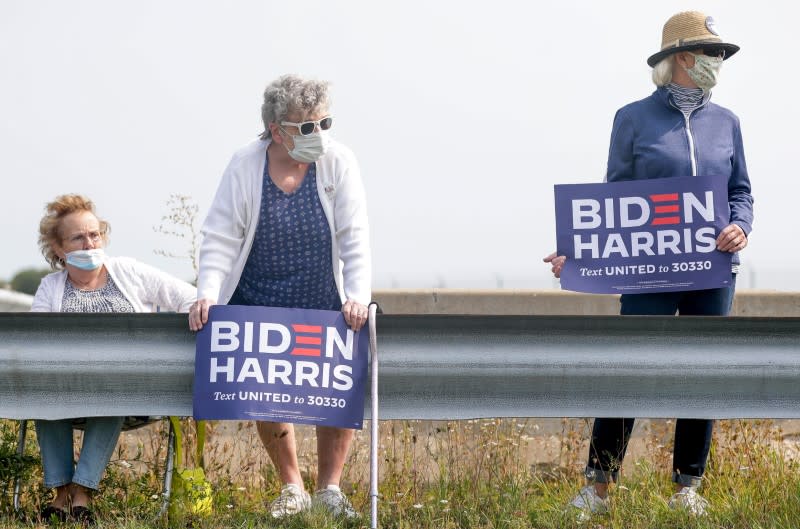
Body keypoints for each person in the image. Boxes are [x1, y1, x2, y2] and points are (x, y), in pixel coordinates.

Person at [544, 11, 753, 519]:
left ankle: (687, 489)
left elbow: (741, 191)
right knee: (629, 367)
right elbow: (614, 201)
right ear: (682, 58)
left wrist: (741, 226)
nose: (718, 63)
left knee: (704, 374)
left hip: (713, 271)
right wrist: (580, 249)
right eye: (711, 53)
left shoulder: (728, 123)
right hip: (648, 271)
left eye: (720, 55)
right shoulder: (633, 118)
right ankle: (596, 489)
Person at [188, 74, 371, 519]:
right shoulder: (244, 163)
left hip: (322, 293)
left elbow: (354, 236)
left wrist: (357, 296)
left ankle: (330, 488)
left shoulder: (338, 161)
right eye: (307, 127)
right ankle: (293, 487)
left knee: (334, 387)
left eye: (325, 123)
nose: (319, 135)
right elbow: (220, 235)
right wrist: (207, 293)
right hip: (259, 293)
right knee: (267, 389)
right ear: (277, 130)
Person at [31, 194, 196, 525]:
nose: (90, 242)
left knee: (114, 388)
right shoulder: (50, 288)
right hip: (68, 393)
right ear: (60, 249)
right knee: (41, 394)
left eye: (95, 234)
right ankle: (61, 495)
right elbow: (38, 342)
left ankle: (82, 490)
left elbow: (189, 298)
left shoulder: (129, 271)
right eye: (79, 237)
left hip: (130, 392)